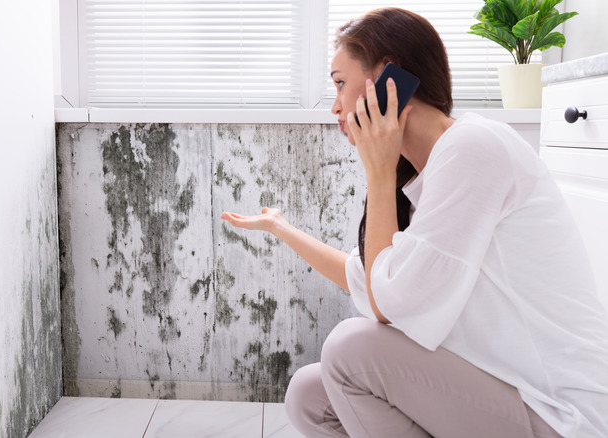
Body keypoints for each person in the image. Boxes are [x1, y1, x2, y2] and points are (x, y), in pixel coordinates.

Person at [220, 7, 608, 438]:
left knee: (350, 349)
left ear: (389, 79)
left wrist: (379, 173)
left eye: (340, 84)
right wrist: (280, 227)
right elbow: (366, 278)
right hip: (505, 399)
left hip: (559, 416)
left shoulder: (474, 148)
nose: (334, 107)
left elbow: (391, 306)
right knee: (310, 393)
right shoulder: (429, 177)